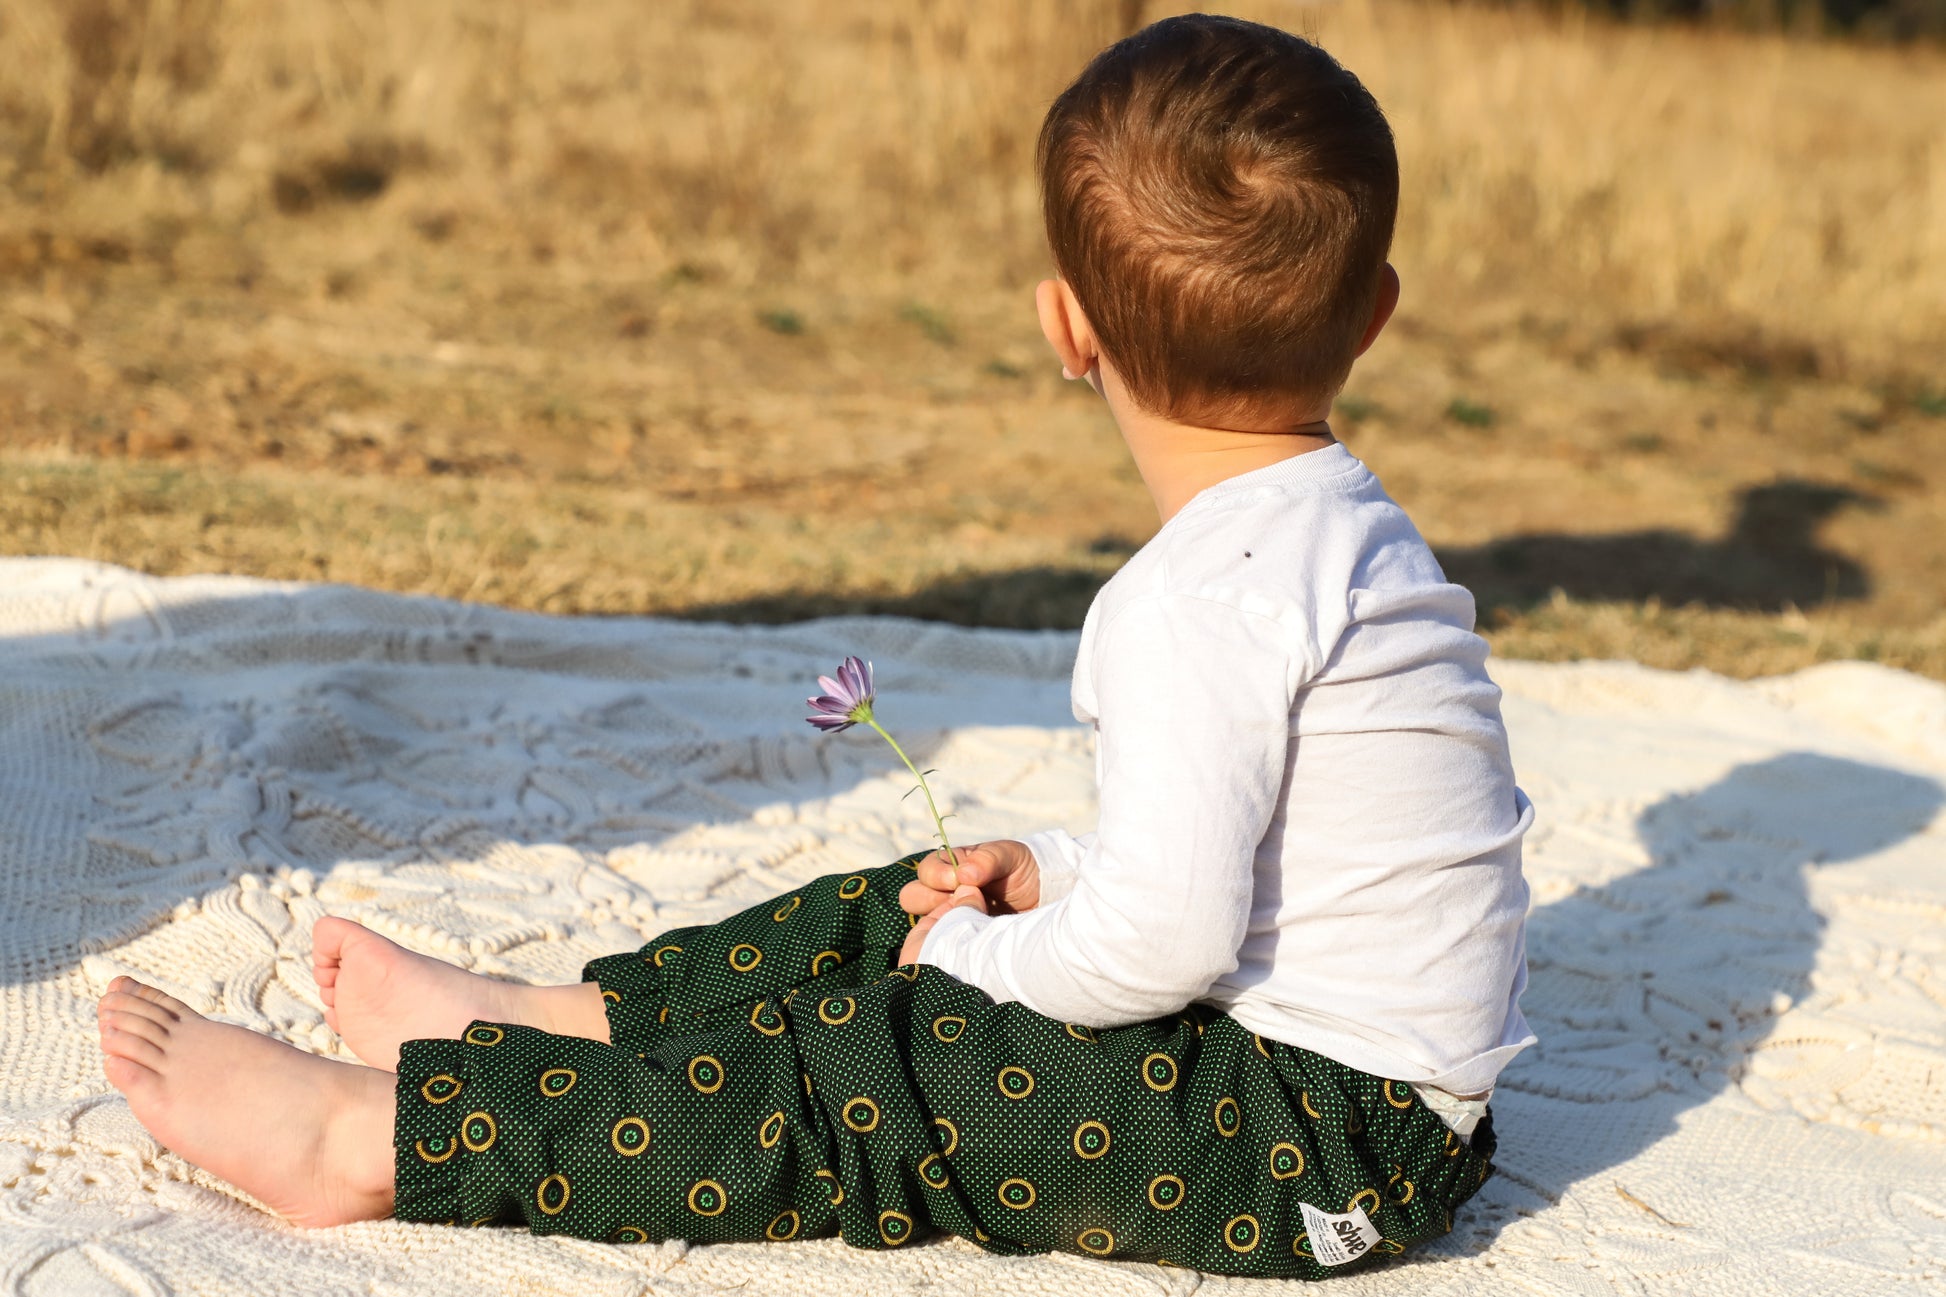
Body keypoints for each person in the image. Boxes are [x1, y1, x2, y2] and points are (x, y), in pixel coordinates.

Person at [94, 13, 1532, 1278]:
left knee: (871, 1078)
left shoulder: (1192, 604)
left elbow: (1167, 941)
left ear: (1064, 328)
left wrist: (980, 963)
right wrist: (1048, 881)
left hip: (1322, 1148)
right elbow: (1257, 865)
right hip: (1343, 1086)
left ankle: (376, 1135)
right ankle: (562, 1017)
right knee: (897, 903)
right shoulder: (1346, 531)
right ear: (1376, 316)